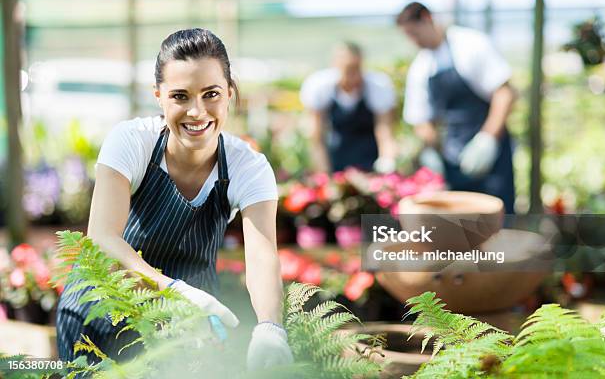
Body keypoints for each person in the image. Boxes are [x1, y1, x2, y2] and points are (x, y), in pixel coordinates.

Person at [56, 28, 293, 369]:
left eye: (210, 94)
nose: (197, 111)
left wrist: (270, 327)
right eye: (180, 96)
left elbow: (262, 256)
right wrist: (173, 290)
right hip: (101, 309)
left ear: (229, 93)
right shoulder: (132, 142)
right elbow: (102, 238)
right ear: (159, 97)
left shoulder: (248, 166)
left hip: (185, 326)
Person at [396, 2, 517, 213]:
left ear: (427, 18)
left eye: (415, 33)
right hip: (453, 159)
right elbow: (421, 121)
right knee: (460, 228)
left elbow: (504, 94)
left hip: (491, 153)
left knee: (499, 219)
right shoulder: (421, 68)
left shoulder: (470, 44)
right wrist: (432, 153)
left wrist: (487, 139)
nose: (413, 41)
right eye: (408, 36)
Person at [300, 41, 396, 173]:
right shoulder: (319, 87)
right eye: (347, 68)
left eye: (356, 68)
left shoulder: (378, 86)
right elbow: (316, 136)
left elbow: (384, 131)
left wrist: (386, 163)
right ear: (335, 64)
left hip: (369, 154)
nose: (352, 74)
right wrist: (324, 173)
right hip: (336, 155)